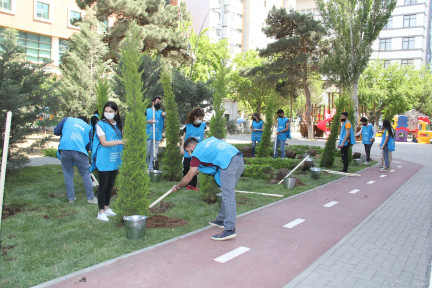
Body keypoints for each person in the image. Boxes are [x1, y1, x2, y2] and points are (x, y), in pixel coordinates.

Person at [171, 137, 244, 241]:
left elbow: (188, 177)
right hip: (238, 158)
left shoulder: (197, 153)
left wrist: (177, 187)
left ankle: (230, 229)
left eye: (188, 151)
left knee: (228, 195)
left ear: (192, 147)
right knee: (227, 192)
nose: (190, 154)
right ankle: (221, 219)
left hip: (228, 163)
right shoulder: (208, 142)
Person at [91, 101, 125, 222]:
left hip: (114, 158)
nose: (108, 113)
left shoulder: (118, 124)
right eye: (106, 111)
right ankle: (100, 212)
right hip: (104, 158)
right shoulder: (100, 124)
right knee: (103, 186)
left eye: (111, 111)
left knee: (110, 185)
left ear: (116, 112)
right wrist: (120, 142)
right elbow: (104, 143)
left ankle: (106, 207)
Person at [54, 116, 97, 204]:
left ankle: (71, 199)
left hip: (64, 149)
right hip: (79, 151)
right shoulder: (87, 127)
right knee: (85, 174)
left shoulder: (67, 119)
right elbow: (88, 146)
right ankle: (91, 198)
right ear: (86, 121)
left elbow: (56, 131)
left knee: (68, 174)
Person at [180, 108, 207, 190]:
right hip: (188, 151)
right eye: (199, 118)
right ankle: (185, 183)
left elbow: (204, 137)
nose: (201, 120)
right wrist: (182, 148)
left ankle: (192, 185)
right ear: (194, 116)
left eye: (202, 118)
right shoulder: (187, 126)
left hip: (197, 151)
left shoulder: (203, 125)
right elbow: (183, 138)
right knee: (187, 167)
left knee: (195, 169)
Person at [146, 96, 166, 170]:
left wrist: (168, 113)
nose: (158, 104)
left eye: (160, 103)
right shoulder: (147, 111)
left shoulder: (160, 113)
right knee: (146, 153)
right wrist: (148, 121)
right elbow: (141, 121)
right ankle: (144, 168)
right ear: (153, 102)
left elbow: (164, 114)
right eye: (157, 102)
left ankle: (151, 169)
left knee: (154, 154)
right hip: (148, 136)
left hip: (157, 136)